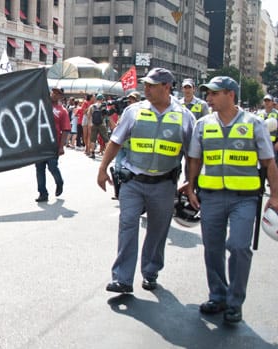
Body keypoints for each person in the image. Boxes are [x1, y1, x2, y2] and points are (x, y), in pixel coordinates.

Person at [184, 76, 278, 324]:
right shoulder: (203, 124)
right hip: (211, 197)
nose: (209, 99)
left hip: (244, 199)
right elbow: (195, 159)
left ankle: (235, 303)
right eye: (208, 94)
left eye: (214, 94)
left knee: (238, 246)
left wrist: (276, 195)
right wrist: (191, 187)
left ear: (230, 95)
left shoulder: (254, 123)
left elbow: (269, 162)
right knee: (212, 249)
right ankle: (218, 296)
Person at [97, 67, 194, 293]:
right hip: (133, 181)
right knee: (128, 225)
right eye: (146, 85)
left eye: (152, 85)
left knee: (158, 231)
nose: (146, 89)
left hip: (164, 185)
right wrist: (102, 169)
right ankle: (122, 278)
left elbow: (192, 155)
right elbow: (115, 141)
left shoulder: (184, 117)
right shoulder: (134, 111)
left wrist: (191, 183)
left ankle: (150, 272)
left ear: (167, 87)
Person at [34, 88, 67, 202]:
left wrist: (61, 146)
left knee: (52, 167)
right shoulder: (42, 105)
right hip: (40, 143)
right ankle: (42, 193)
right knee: (39, 169)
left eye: (57, 93)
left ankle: (59, 182)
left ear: (60, 97)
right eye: (53, 92)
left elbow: (66, 129)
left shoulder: (62, 111)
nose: (54, 94)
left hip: (53, 144)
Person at [87, 94, 110, 160]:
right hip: (102, 124)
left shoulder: (92, 106)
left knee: (93, 139)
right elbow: (107, 115)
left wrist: (90, 124)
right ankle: (108, 154)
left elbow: (89, 115)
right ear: (102, 99)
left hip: (94, 124)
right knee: (106, 139)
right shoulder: (104, 106)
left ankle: (92, 153)